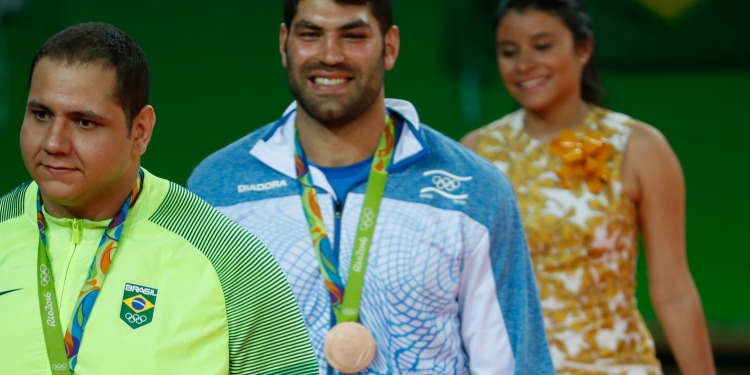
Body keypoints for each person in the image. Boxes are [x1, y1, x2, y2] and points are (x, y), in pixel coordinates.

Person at [188, 0, 554, 373]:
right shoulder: (218, 191)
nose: (330, 55)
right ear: (285, 44)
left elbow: (513, 363)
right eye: (311, 35)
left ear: (390, 47)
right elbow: (192, 351)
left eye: (353, 35)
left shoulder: (473, 190)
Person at [0, 22, 318, 375]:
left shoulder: (227, 256)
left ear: (140, 131)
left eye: (84, 122)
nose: (54, 143)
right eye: (41, 115)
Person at [460, 1, 716, 374]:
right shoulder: (477, 152)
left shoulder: (639, 147)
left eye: (542, 45)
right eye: (508, 52)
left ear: (584, 49)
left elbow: (674, 291)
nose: (524, 64)